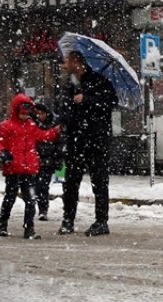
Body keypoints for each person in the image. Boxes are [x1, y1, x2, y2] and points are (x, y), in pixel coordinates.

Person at [57, 50, 117, 236]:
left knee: (99, 181)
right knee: (70, 181)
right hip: (75, 140)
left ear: (77, 61)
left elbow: (111, 103)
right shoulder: (70, 85)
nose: (64, 63)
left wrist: (87, 100)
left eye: (67, 60)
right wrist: (62, 122)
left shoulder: (99, 81)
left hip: (96, 139)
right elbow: (65, 109)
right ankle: (68, 220)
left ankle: (101, 221)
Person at [0, 94, 60, 240]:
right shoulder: (6, 126)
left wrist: (55, 132)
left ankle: (29, 228)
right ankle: (3, 224)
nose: (24, 116)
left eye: (26, 113)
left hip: (28, 170)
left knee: (30, 200)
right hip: (14, 169)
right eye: (22, 113)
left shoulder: (30, 125)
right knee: (10, 198)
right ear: (16, 110)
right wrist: (3, 153)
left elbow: (43, 136)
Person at [30, 99, 64, 222]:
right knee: (36, 186)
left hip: (47, 161)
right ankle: (38, 209)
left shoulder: (52, 125)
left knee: (42, 186)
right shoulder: (32, 125)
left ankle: (43, 210)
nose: (40, 116)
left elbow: (58, 144)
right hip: (35, 160)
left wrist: (57, 159)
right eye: (38, 114)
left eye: (42, 113)